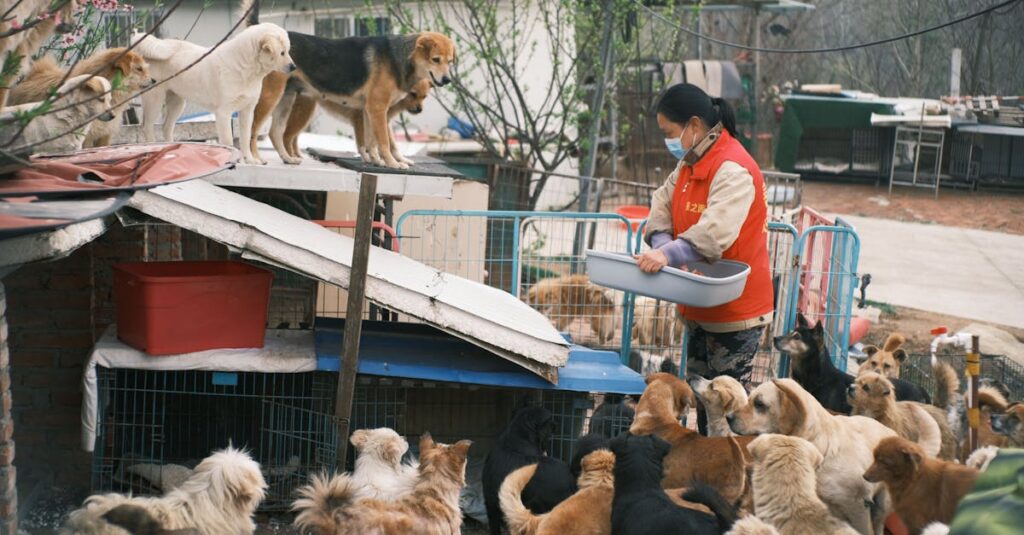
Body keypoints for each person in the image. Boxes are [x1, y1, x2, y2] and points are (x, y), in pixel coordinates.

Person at [635, 83, 773, 430]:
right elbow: (660, 207)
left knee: (728, 412)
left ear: (693, 125)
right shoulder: (688, 164)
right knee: (702, 403)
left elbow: (715, 232)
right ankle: (706, 474)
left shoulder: (733, 169)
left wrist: (669, 255)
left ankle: (730, 478)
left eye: (670, 133)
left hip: (734, 311)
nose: (668, 141)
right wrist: (669, 250)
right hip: (697, 304)